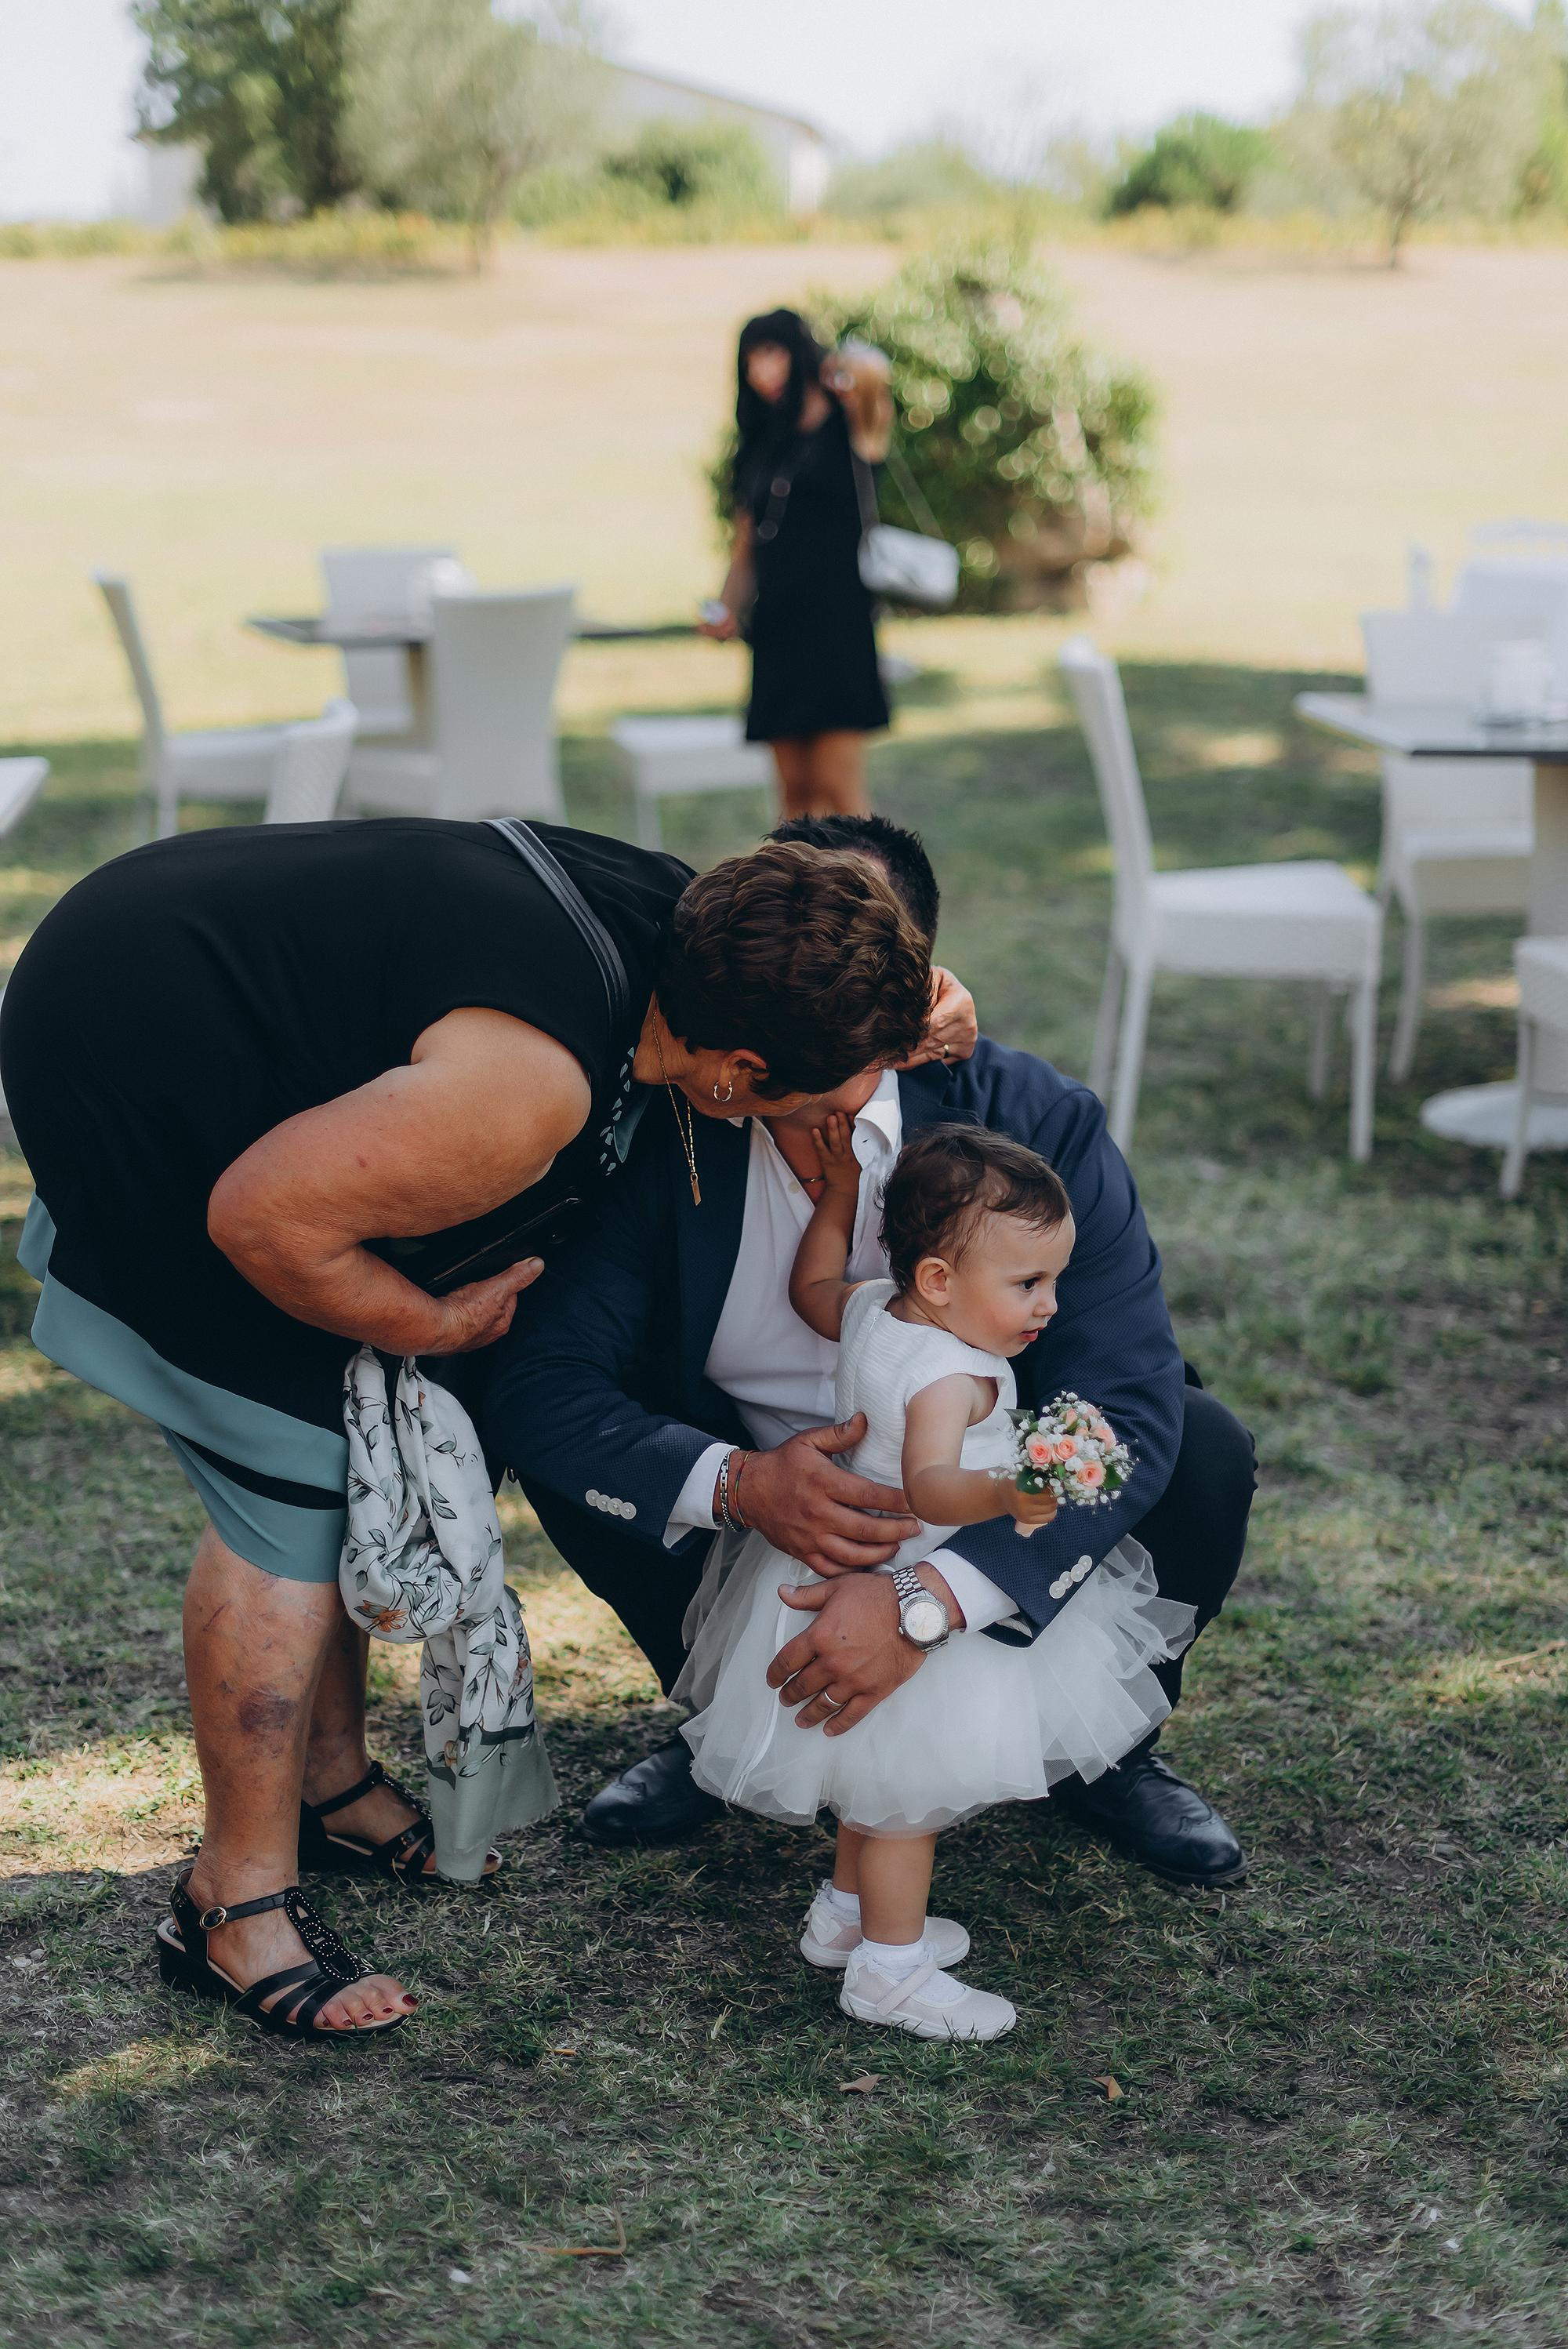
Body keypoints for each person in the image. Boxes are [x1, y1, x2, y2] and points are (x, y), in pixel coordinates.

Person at [0, 821, 931, 2038]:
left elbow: (841, 931)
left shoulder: (718, 927)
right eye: (819, 1097)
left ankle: (329, 1787)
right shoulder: (524, 1090)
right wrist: (427, 1323)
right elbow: (264, 1223)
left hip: (230, 995)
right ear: (733, 1073)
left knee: (346, 1443)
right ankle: (228, 1903)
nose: (842, 1114)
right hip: (131, 1035)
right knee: (299, 1469)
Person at [478, 814, 1256, 1892]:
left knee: (1202, 1446)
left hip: (971, 1494)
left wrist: (928, 1598)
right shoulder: (670, 1116)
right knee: (595, 1455)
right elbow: (544, 1379)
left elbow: (1121, 1394)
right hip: (756, 1503)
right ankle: (723, 1719)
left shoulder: (1028, 1121)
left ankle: (1103, 1751)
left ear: (912, 1001)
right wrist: (740, 1485)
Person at [678, 1120, 1196, 2039]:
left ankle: (843, 1916)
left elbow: (807, 1287)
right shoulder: (959, 1376)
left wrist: (837, 1189)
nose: (1049, 1305)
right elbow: (929, 1483)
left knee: (864, 1767)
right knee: (902, 1800)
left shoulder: (871, 1306)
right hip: (905, 1578)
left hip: (839, 1568)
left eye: (1053, 1280)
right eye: (1028, 1282)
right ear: (938, 1281)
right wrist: (1010, 1487)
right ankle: (890, 1967)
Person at [699, 307, 892, 820]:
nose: (761, 370)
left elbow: (875, 378)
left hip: (839, 625)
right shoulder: (761, 445)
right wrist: (724, 607)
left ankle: (888, 899)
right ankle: (800, 901)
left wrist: (833, 367)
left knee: (839, 789)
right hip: (779, 629)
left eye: (772, 352)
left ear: (798, 352)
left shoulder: (850, 422)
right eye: (751, 360)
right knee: (795, 797)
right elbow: (746, 549)